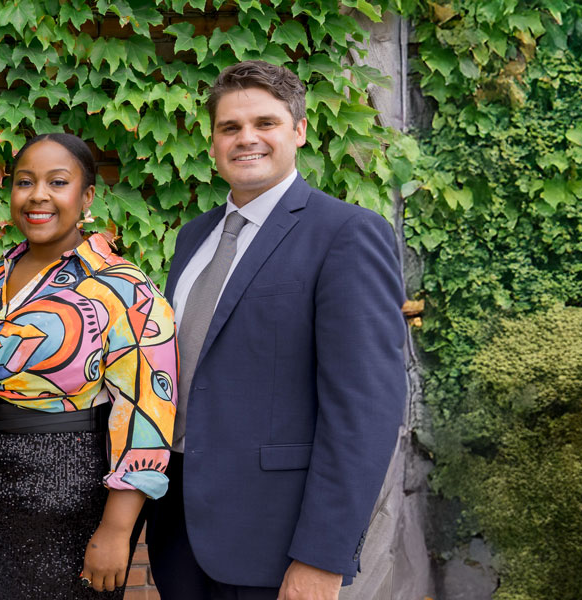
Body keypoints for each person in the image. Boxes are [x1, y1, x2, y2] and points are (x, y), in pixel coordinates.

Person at [144, 60, 407, 600]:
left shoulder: (346, 234)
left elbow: (364, 410)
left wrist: (323, 557)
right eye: (230, 128)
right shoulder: (192, 240)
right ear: (214, 142)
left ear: (299, 130)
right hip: (179, 532)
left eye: (265, 123)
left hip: (277, 542)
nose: (247, 139)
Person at [0, 132, 178, 598]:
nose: (37, 196)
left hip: (70, 487)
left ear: (87, 195)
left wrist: (117, 529)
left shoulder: (122, 287)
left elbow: (147, 408)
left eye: (57, 182)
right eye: (24, 182)